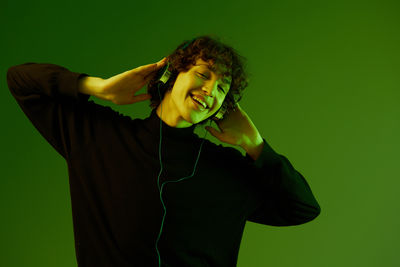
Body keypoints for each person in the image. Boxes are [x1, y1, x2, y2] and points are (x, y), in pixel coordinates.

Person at [7, 35, 321, 267]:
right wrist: (98, 87)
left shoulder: (229, 172)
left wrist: (255, 145)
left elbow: (303, 208)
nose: (210, 90)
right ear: (172, 75)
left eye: (223, 88)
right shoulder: (101, 138)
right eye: (203, 74)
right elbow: (20, 80)